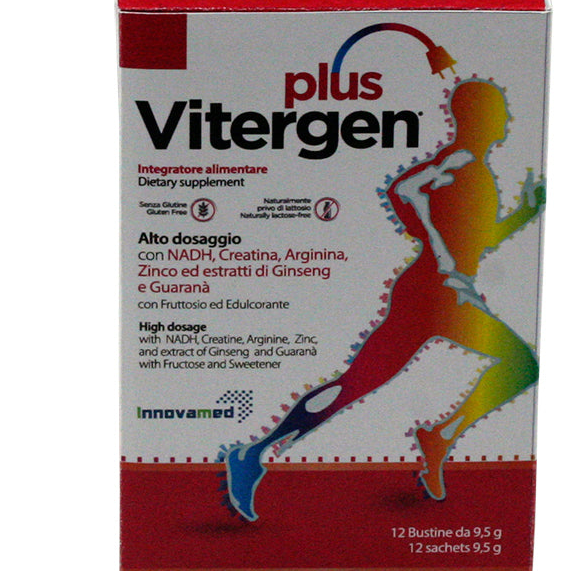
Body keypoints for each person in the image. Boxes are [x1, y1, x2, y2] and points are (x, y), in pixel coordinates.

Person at [225, 75, 545, 521]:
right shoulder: (459, 161)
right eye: (500, 113)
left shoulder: (474, 169)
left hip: (436, 294)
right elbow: (403, 190)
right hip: (438, 292)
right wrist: (436, 247)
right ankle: (440, 436)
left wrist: (525, 214)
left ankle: (254, 454)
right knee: (521, 365)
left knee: (357, 383)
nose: (507, 122)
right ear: (480, 117)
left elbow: (477, 240)